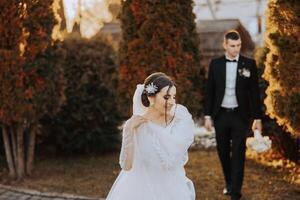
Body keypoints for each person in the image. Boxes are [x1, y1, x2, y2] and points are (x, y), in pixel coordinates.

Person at [106, 72, 195, 200]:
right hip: (141, 189)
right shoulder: (136, 126)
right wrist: (129, 130)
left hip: (172, 188)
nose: (171, 102)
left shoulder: (179, 120)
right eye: (166, 97)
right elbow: (126, 166)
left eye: (173, 97)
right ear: (150, 97)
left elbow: (175, 158)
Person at [204, 30, 263, 200]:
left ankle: (235, 191)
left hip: (240, 116)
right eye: (232, 46)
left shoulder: (249, 64)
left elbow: (254, 93)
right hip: (220, 115)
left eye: (238, 46)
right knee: (223, 151)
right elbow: (210, 91)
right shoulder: (215, 64)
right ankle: (229, 182)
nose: (236, 49)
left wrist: (257, 118)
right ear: (225, 45)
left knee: (238, 153)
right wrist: (208, 116)